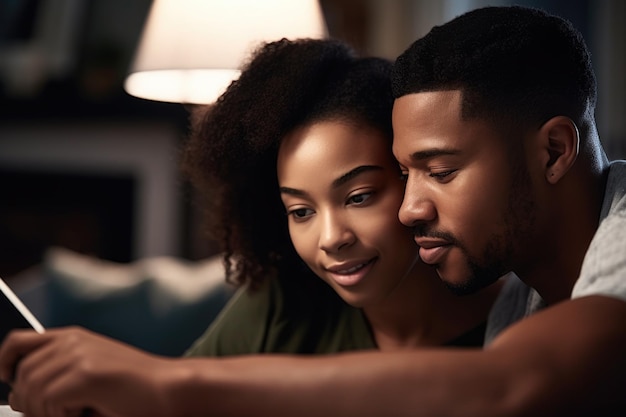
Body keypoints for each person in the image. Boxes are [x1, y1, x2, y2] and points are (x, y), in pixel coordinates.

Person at [1, 5, 625, 417]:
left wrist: (167, 386)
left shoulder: (597, 253)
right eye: (405, 175)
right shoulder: (521, 295)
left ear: (554, 150)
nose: (411, 209)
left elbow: (513, 387)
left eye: (439, 172)